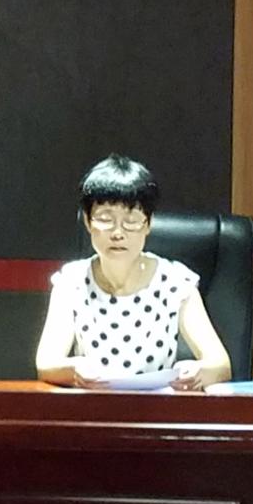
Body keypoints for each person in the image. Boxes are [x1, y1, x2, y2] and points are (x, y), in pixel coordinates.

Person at [35, 155, 231, 390]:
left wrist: (198, 372)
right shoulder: (71, 282)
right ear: (87, 222)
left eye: (131, 221)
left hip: (157, 407)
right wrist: (74, 370)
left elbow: (221, 365)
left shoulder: (177, 282)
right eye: (105, 219)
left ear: (148, 224)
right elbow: (46, 363)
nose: (118, 233)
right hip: (93, 406)